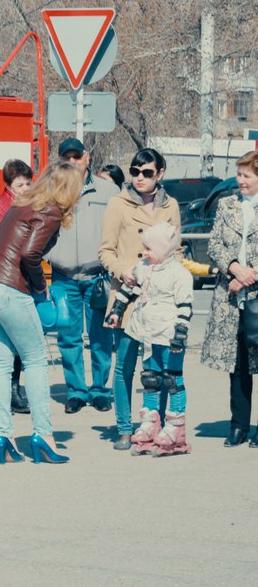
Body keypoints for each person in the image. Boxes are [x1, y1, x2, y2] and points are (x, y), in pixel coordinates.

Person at [0, 161, 82, 464]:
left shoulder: (22, 203)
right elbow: (30, 253)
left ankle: (3, 435)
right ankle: (43, 435)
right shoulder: (51, 211)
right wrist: (39, 287)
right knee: (35, 360)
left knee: (2, 362)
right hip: (6, 288)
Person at [98, 147, 181, 450]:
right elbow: (105, 250)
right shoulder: (117, 204)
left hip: (159, 299)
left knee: (157, 368)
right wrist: (124, 270)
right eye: (135, 171)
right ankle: (123, 427)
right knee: (125, 366)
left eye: (147, 172)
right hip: (127, 298)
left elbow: (177, 250)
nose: (139, 177)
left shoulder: (170, 205)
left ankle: (153, 425)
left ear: (160, 173)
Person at [107, 222, 194, 455]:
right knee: (150, 378)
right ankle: (150, 422)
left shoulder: (180, 274)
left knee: (172, 380)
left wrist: (180, 334)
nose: (144, 253)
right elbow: (128, 289)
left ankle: (175, 426)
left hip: (169, 334)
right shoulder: (143, 267)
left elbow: (185, 307)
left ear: (164, 249)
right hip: (145, 332)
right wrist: (116, 310)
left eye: (149, 249)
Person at [47, 138, 119, 414]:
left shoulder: (108, 191)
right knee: (68, 337)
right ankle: (76, 391)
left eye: (77, 156)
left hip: (98, 276)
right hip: (64, 277)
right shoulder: (54, 190)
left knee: (101, 337)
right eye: (67, 157)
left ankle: (100, 390)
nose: (73, 161)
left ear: (87, 158)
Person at [200, 150, 258, 448]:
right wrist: (235, 268)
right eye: (239, 174)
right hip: (232, 296)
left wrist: (252, 274)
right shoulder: (227, 205)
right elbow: (215, 244)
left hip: (254, 290)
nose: (240, 181)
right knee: (239, 364)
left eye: (247, 176)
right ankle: (239, 424)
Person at [0, 158, 33, 412]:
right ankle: (2, 393)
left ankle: (14, 389)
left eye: (28, 184)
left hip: (20, 281)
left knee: (19, 342)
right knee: (0, 344)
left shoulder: (28, 208)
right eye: (21, 184)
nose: (25, 189)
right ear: (9, 185)